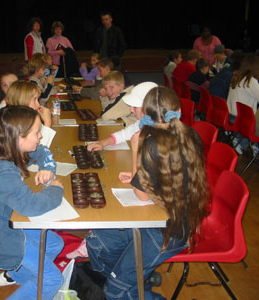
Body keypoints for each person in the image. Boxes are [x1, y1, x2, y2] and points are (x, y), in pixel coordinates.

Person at [86, 86, 210, 300]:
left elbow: (141, 195)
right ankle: (134, 282)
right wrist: (139, 173)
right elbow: (171, 176)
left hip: (168, 230)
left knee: (115, 293)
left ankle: (124, 286)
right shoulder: (189, 133)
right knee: (97, 242)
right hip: (164, 214)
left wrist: (136, 150)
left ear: (147, 113)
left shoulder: (153, 142)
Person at [0, 105, 64, 300]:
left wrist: (46, 167)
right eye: (37, 132)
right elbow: (30, 206)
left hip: (2, 222)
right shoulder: (2, 172)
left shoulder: (5, 149)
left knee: (54, 243)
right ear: (20, 138)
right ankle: (31, 280)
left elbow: (40, 151)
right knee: (52, 279)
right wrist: (56, 190)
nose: (40, 137)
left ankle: (16, 275)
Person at [86, 82, 158, 152]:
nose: (131, 109)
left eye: (135, 107)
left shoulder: (161, 132)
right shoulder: (144, 122)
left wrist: (135, 148)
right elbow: (126, 133)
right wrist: (102, 143)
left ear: (149, 107)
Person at [5, 80, 56, 147]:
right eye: (34, 99)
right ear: (22, 100)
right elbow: (39, 151)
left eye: (38, 100)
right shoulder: (16, 125)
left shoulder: (25, 117)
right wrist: (47, 122)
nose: (38, 104)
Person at [227, 54, 259, 155]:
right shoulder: (250, 81)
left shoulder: (237, 77)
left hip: (231, 116)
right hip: (243, 121)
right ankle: (255, 145)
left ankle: (240, 139)